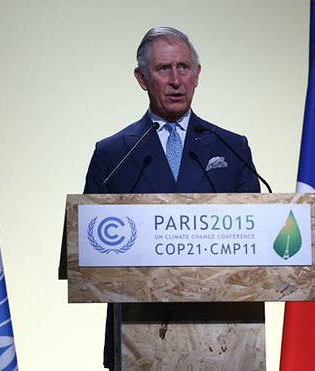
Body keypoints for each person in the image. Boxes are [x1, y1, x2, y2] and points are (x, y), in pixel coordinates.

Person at [83, 26, 261, 369]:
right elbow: (88, 249)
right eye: (164, 69)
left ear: (197, 75)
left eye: (184, 67)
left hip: (225, 335)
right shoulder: (113, 154)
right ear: (142, 78)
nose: (176, 79)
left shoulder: (231, 147)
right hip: (138, 338)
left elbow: (255, 236)